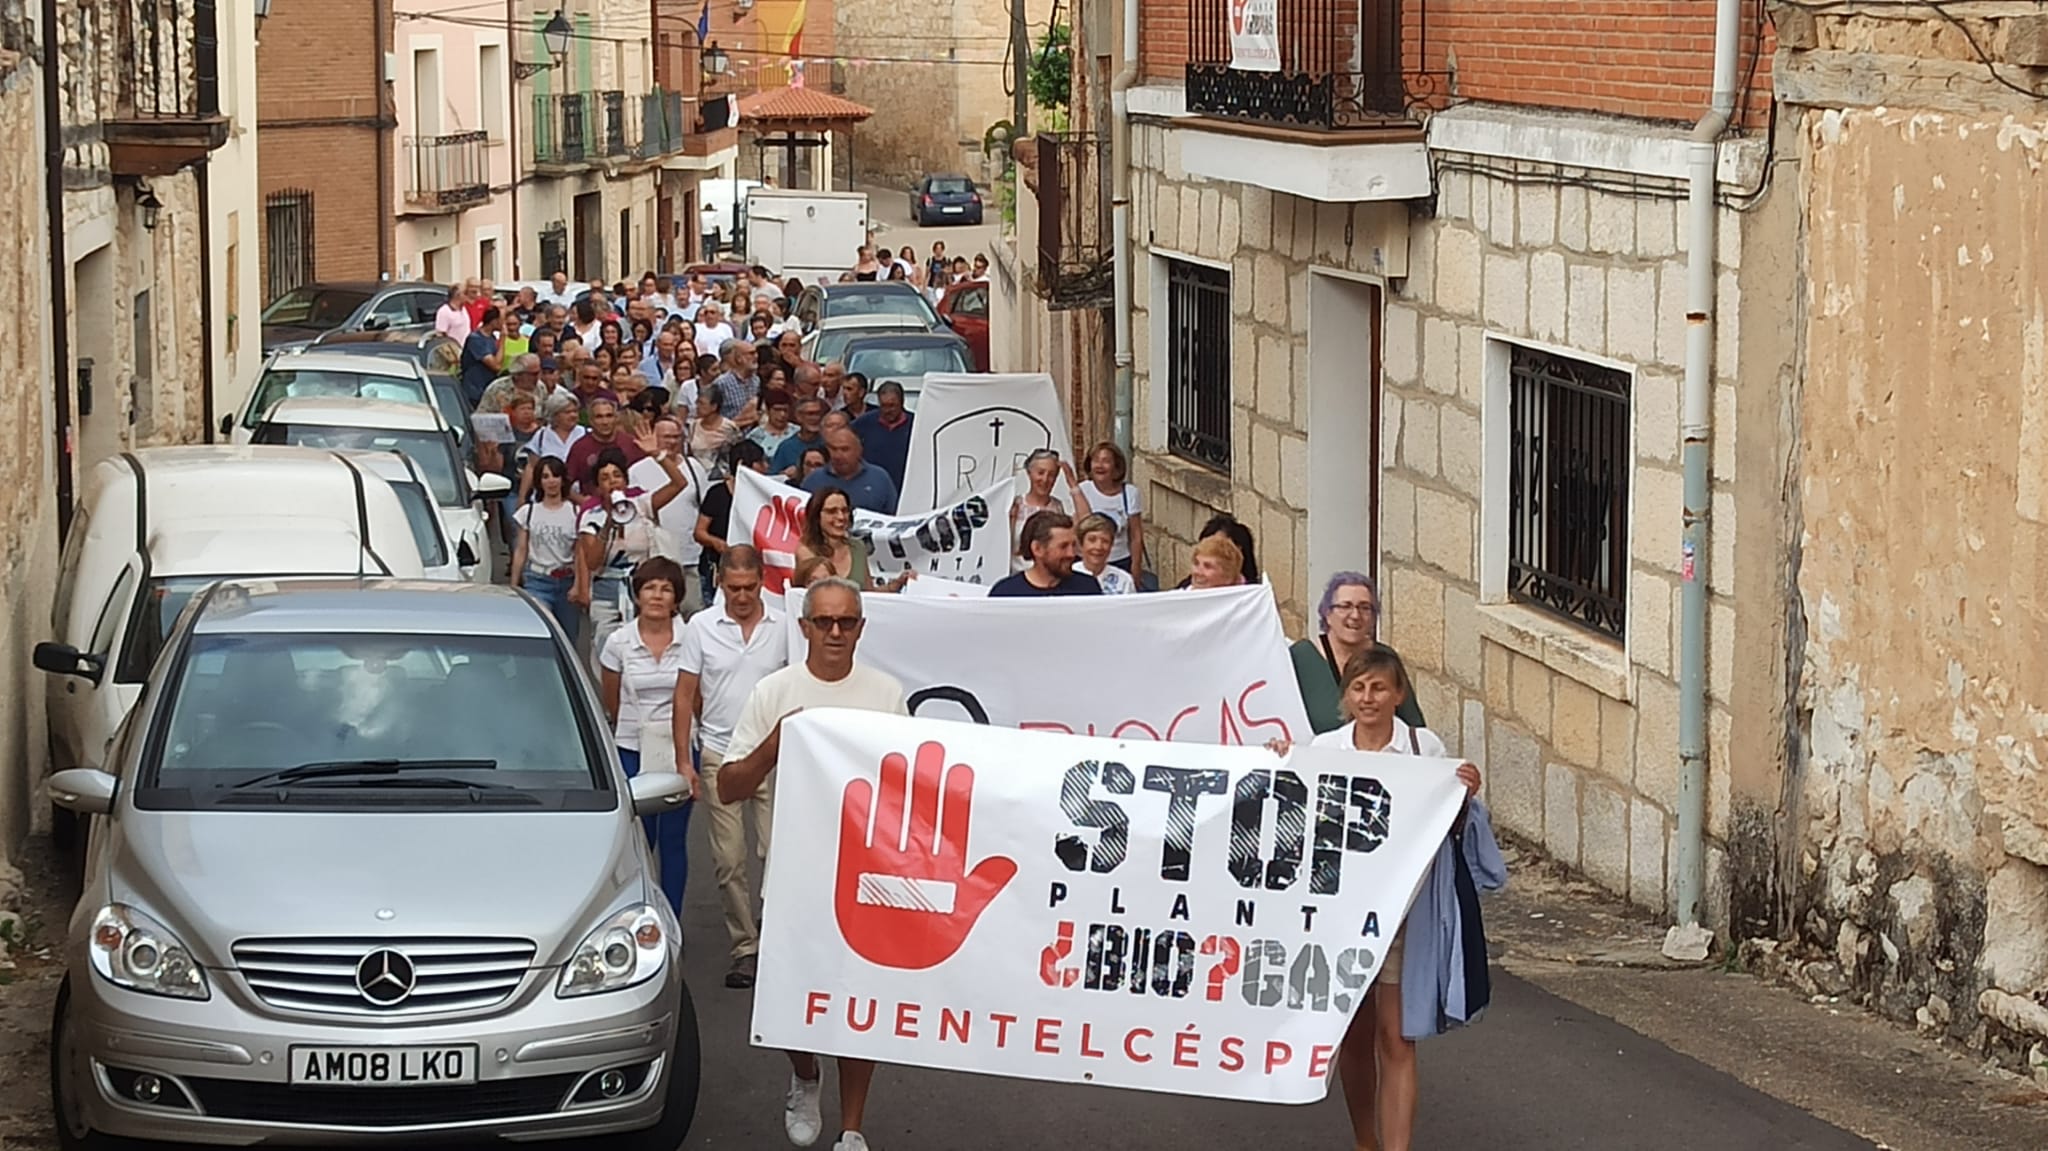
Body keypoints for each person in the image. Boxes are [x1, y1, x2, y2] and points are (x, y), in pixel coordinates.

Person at [1267, 647, 1501, 1151]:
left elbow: (1448, 825)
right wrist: (1278, 763)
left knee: (1397, 1038)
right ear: (1346, 698)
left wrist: (1465, 795)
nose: (1368, 698)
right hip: (1338, 918)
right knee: (1354, 1038)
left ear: (1398, 694)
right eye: (1358, 688)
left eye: (1378, 688)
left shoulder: (1424, 748)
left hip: (1402, 914)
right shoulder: (1324, 749)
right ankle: (1365, 1140)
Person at [716, 577, 908, 1151]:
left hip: (867, 881)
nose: (834, 632)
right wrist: (777, 743)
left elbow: (908, 789)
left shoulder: (886, 694)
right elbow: (728, 786)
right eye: (823, 621)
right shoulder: (775, 691)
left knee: (858, 1005)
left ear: (860, 628)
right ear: (803, 627)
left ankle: (852, 1127)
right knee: (787, 1000)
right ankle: (804, 1072)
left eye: (846, 622)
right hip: (794, 879)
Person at [673, 545, 789, 990]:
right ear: (720, 582)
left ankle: (778, 935)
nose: (741, 597)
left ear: (762, 582)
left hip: (774, 753)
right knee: (728, 860)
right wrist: (685, 760)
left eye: (750, 588)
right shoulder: (701, 627)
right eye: (733, 588)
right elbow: (685, 694)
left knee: (778, 852)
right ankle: (746, 947)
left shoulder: (783, 625)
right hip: (721, 752)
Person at [599, 557, 698, 918]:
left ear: (677, 597)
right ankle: (638, 917)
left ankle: (672, 920)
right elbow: (611, 698)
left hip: (679, 749)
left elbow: (696, 695)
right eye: (650, 587)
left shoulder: (692, 639)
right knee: (639, 841)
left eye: (666, 588)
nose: (657, 595)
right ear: (637, 594)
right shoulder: (618, 642)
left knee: (673, 842)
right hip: (631, 748)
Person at [572, 443, 688, 674]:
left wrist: (659, 454)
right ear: (598, 487)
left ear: (625, 480)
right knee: (608, 650)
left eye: (617, 475)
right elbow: (593, 562)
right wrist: (607, 526)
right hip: (607, 591)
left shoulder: (641, 504)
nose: (612, 481)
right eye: (605, 478)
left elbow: (679, 484)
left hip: (642, 587)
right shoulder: (590, 517)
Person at [1293, 571, 1425, 732]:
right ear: (1327, 613)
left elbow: (1413, 724)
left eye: (1364, 608)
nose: (1355, 615)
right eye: (1345, 606)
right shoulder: (1301, 657)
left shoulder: (1384, 657)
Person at [630, 415, 707, 618]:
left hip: (689, 555)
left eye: (676, 437)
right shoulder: (637, 471)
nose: (672, 442)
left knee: (692, 612)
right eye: (666, 437)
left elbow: (704, 507)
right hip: (654, 557)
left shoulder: (695, 467)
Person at [511, 456, 583, 639]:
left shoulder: (575, 513)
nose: (551, 481)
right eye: (545, 476)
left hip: (566, 581)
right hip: (537, 579)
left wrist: (578, 585)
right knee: (539, 632)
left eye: (555, 476)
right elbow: (521, 549)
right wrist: (514, 584)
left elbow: (579, 552)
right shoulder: (529, 512)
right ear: (539, 481)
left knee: (567, 638)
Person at [695, 439, 769, 605]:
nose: (765, 467)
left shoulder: (763, 494)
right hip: (717, 567)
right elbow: (699, 532)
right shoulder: (717, 493)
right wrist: (716, 542)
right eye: (760, 462)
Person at [795, 486, 910, 593]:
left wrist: (895, 585)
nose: (841, 517)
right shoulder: (806, 552)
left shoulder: (858, 547)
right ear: (816, 516)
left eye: (845, 510)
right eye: (832, 511)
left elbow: (869, 593)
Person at [1072, 440, 1146, 583]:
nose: (1100, 465)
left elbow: (1136, 535)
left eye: (1106, 461)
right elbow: (1076, 529)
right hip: (1087, 562)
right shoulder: (1082, 490)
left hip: (1120, 561)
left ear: (1116, 467)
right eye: (1096, 461)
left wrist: (1136, 567)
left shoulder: (1130, 493)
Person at [989, 510, 1102, 597]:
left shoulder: (1088, 588)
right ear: (1037, 549)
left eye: (1073, 545)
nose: (1071, 554)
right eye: (1063, 546)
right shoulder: (1006, 593)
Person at [802, 427, 898, 514]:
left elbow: (893, 515)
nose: (838, 456)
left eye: (844, 449)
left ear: (859, 450)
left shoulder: (880, 478)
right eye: (834, 449)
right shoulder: (813, 480)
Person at [565, 397, 646, 498]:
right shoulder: (579, 448)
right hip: (595, 508)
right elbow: (564, 483)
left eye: (609, 416)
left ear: (616, 418)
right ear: (591, 420)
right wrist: (582, 502)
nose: (605, 422)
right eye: (599, 417)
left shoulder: (631, 443)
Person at [1008, 449, 1071, 574]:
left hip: (1051, 576)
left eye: (1052, 474)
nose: (1045, 479)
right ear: (1029, 473)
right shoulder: (1014, 505)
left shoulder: (1059, 507)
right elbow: (1001, 543)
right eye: (1040, 473)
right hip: (1017, 576)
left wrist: (1072, 483)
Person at [850, 381, 913, 493]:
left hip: (905, 487)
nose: (888, 410)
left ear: (902, 402)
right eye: (884, 406)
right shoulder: (864, 422)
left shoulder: (915, 424)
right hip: (871, 486)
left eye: (892, 405)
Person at [1175, 513, 1261, 587]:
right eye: (1196, 563)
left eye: (1208, 566)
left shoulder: (1252, 598)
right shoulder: (1185, 589)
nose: (1199, 572)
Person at [1075, 512, 1138, 595]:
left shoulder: (1124, 580)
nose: (1098, 547)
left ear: (1111, 545)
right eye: (1092, 540)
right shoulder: (1069, 575)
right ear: (1081, 544)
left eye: (1105, 541)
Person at [687, 384, 741, 477]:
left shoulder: (729, 427)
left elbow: (737, 454)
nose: (697, 406)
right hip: (697, 474)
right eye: (697, 403)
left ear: (714, 406)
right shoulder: (694, 425)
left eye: (701, 403)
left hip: (721, 476)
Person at [770, 396, 829, 478]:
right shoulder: (786, 447)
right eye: (810, 414)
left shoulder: (829, 444)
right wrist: (784, 474)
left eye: (818, 414)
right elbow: (772, 479)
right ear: (798, 417)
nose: (816, 418)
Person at [749, 388, 798, 457]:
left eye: (785, 410)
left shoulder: (798, 433)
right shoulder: (755, 436)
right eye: (777, 410)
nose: (782, 414)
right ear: (768, 410)